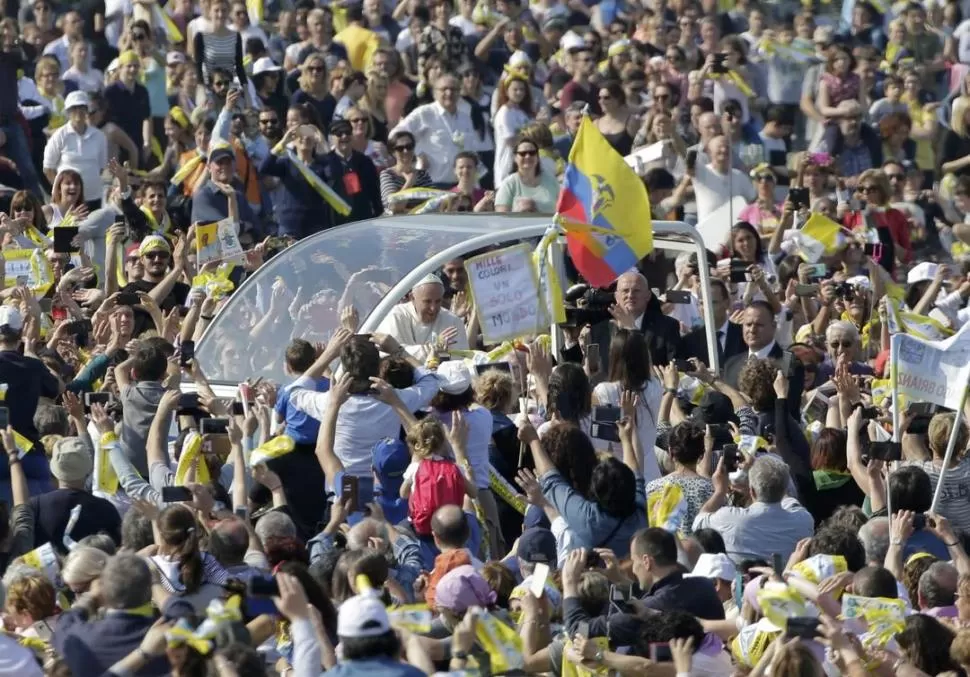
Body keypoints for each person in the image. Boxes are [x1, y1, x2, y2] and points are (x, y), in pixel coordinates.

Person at [692, 453, 814, 563]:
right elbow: (785, 497)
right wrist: (758, 468)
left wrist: (720, 491)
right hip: (787, 586)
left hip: (744, 586)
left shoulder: (729, 518)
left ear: (752, 491)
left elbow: (698, 523)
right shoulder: (804, 519)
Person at [391, 73, 492, 187]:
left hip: (460, 186)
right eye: (444, 89)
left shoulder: (465, 118)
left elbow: (472, 152)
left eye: (453, 89)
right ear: (435, 93)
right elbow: (396, 134)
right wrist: (417, 154)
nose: (449, 93)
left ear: (459, 92)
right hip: (432, 184)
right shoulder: (424, 113)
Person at [30, 437, 121, 554]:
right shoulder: (107, 509)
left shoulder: (36, 506)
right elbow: (116, 552)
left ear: (53, 467)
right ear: (88, 468)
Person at [376, 274, 469, 362]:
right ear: (412, 298)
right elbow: (388, 355)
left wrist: (442, 354)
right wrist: (431, 348)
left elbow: (459, 361)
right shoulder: (395, 316)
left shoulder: (452, 321)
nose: (433, 308)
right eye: (427, 302)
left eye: (438, 301)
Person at [42, 91, 108, 212]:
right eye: (74, 108)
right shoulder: (59, 135)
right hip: (67, 200)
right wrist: (60, 189)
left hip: (93, 197)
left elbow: (101, 168)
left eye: (82, 107)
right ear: (68, 111)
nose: (78, 111)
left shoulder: (100, 136)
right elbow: (48, 168)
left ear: (87, 110)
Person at [494, 136, 560, 213]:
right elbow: (501, 217)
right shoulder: (508, 184)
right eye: (523, 153)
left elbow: (563, 210)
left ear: (538, 157)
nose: (528, 156)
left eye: (532, 153)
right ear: (515, 158)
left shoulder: (551, 180)